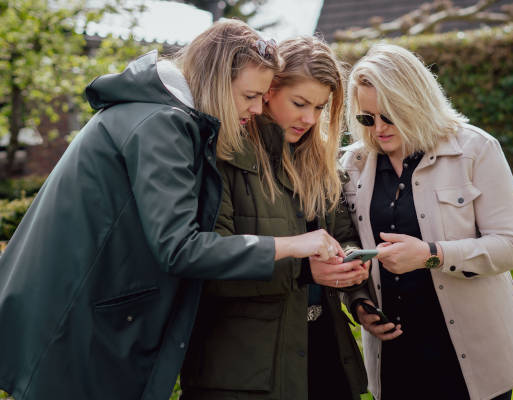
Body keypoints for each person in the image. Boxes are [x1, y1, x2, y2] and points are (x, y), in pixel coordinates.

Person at [0, 20, 344, 400]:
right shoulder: (164, 124)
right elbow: (180, 247)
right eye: (249, 95)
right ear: (214, 79)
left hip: (73, 319)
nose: (256, 108)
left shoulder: (157, 114)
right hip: (72, 324)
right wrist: (294, 246)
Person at [340, 44, 513, 400]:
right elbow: (346, 243)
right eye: (367, 119)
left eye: (390, 116)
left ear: (415, 102)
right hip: (394, 358)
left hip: (473, 357)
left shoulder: (475, 149)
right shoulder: (350, 166)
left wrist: (431, 255)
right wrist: (357, 302)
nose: (378, 129)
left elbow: (509, 246)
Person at [180, 37, 369, 400]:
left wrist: (352, 273)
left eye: (320, 107)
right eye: (299, 103)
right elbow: (204, 267)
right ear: (268, 91)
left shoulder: (315, 160)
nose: (310, 119)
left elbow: (343, 234)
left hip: (325, 354)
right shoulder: (224, 155)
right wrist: (303, 271)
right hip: (244, 372)